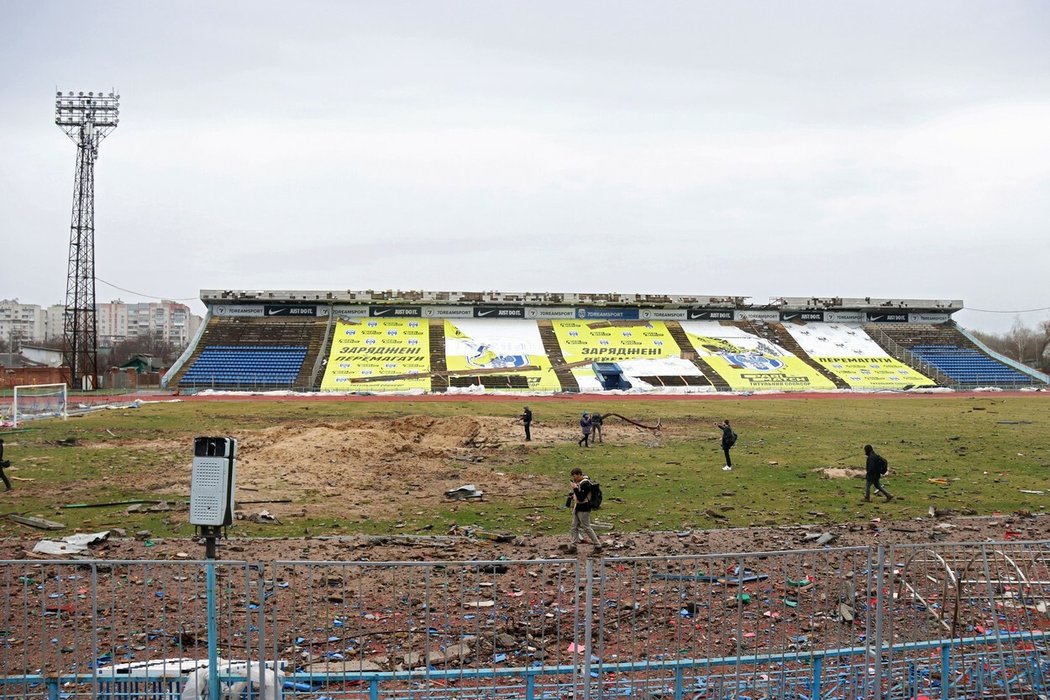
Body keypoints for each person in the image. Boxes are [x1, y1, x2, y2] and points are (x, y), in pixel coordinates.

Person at [568, 467, 602, 554]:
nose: (574, 478)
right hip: (578, 507)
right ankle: (573, 546)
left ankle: (598, 545)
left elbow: (581, 497)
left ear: (579, 474)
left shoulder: (585, 484)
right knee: (574, 526)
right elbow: (579, 496)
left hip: (584, 508)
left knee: (586, 527)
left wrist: (575, 488)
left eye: (575, 476)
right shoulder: (580, 483)